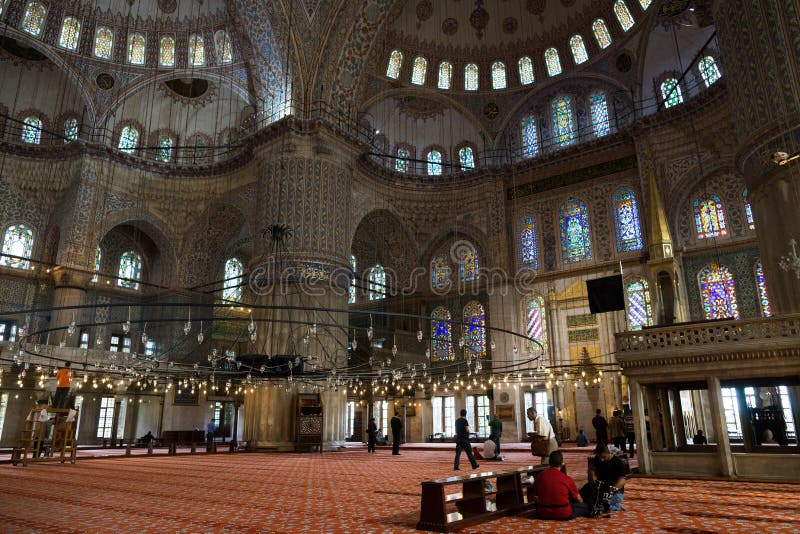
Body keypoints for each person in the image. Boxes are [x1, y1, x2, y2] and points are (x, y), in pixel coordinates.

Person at [533, 451, 591, 520]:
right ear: (562, 463)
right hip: (563, 513)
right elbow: (579, 499)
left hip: (543, 513)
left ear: (549, 462)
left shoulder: (539, 476)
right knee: (586, 506)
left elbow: (536, 495)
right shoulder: (567, 479)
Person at [585, 445, 627, 511]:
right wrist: (592, 475)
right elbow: (591, 469)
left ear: (609, 453)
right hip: (601, 488)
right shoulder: (597, 459)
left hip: (615, 491)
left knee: (599, 506)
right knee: (584, 497)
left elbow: (622, 480)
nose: (601, 460)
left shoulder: (618, 462)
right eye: (599, 457)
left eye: (603, 457)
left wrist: (610, 490)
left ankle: (615, 507)